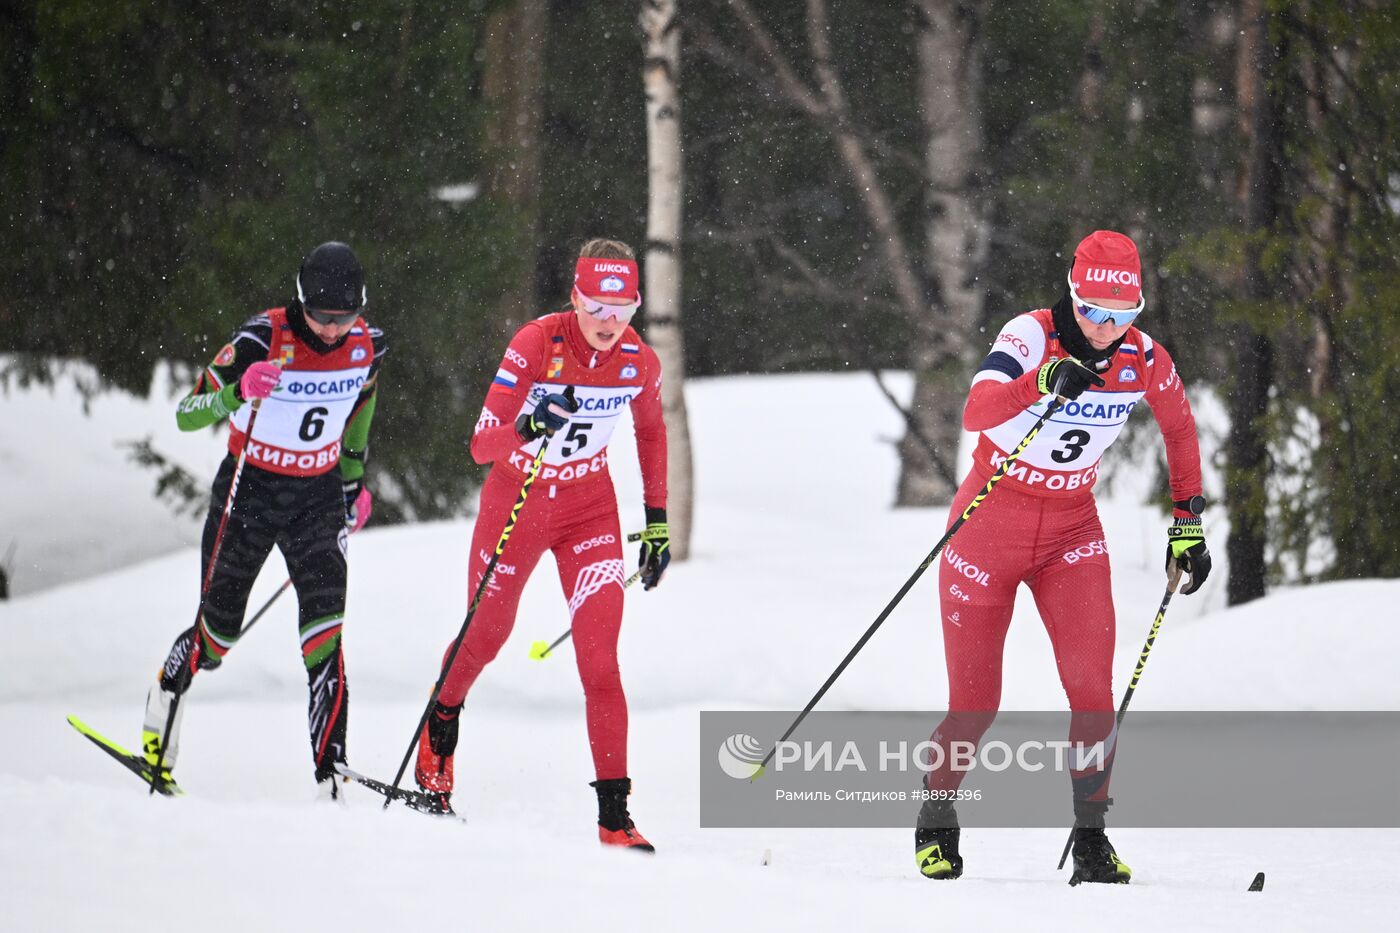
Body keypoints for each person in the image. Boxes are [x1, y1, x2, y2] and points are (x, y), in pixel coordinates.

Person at [913, 230, 1210, 884]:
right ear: (1073, 295)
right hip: (987, 529)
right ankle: (937, 811)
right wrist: (1041, 380)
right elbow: (975, 410)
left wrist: (1186, 517)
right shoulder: (1028, 335)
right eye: (1094, 312)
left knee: (1091, 692)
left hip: (1072, 533)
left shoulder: (1142, 356)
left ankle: (1091, 837)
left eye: (1122, 314)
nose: (1106, 329)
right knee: (975, 703)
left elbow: (1179, 425)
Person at [415, 238, 669, 851]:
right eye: (597, 308)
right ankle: (442, 718)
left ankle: (615, 817)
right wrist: (528, 425)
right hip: (519, 503)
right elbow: (480, 445)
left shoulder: (638, 361)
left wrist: (656, 520)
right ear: (575, 299)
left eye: (623, 309)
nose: (610, 324)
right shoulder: (538, 343)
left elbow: (652, 434)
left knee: (600, 661)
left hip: (590, 512)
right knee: (488, 635)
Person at [142, 241, 387, 800]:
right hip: (249, 491)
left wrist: (352, 483)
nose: (331, 330)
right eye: (322, 317)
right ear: (301, 303)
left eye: (344, 318)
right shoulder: (262, 337)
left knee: (325, 637)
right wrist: (236, 392)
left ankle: (332, 776)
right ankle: (164, 703)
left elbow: (360, 412)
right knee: (219, 635)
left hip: (317, 498)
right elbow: (186, 414)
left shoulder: (366, 346)